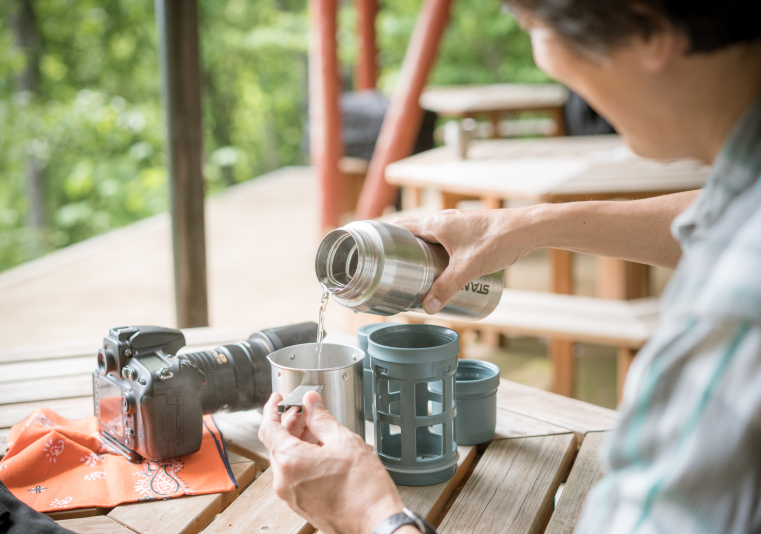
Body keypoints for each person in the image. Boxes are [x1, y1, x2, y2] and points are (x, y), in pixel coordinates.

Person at [259, 1, 761, 532]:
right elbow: (715, 214)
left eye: (535, 29)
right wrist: (526, 224)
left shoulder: (732, 310)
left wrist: (368, 514)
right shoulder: (743, 200)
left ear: (648, 27)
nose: (542, 60)